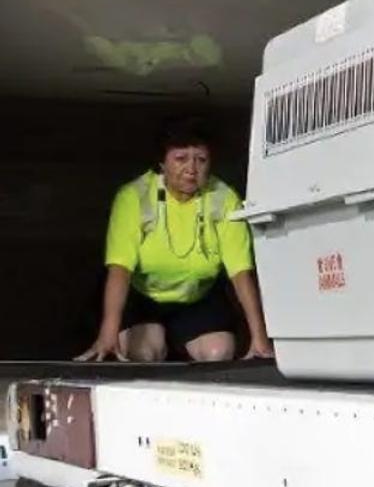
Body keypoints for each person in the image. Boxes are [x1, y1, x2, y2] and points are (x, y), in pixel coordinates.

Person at [77, 117, 273, 362]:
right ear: (162, 163)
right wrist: (108, 333)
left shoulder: (223, 198)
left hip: (196, 297)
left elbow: (240, 272)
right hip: (143, 296)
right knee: (145, 352)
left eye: (201, 160)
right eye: (181, 159)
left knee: (219, 353)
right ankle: (159, 342)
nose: (191, 168)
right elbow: (119, 269)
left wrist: (260, 337)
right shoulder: (134, 196)